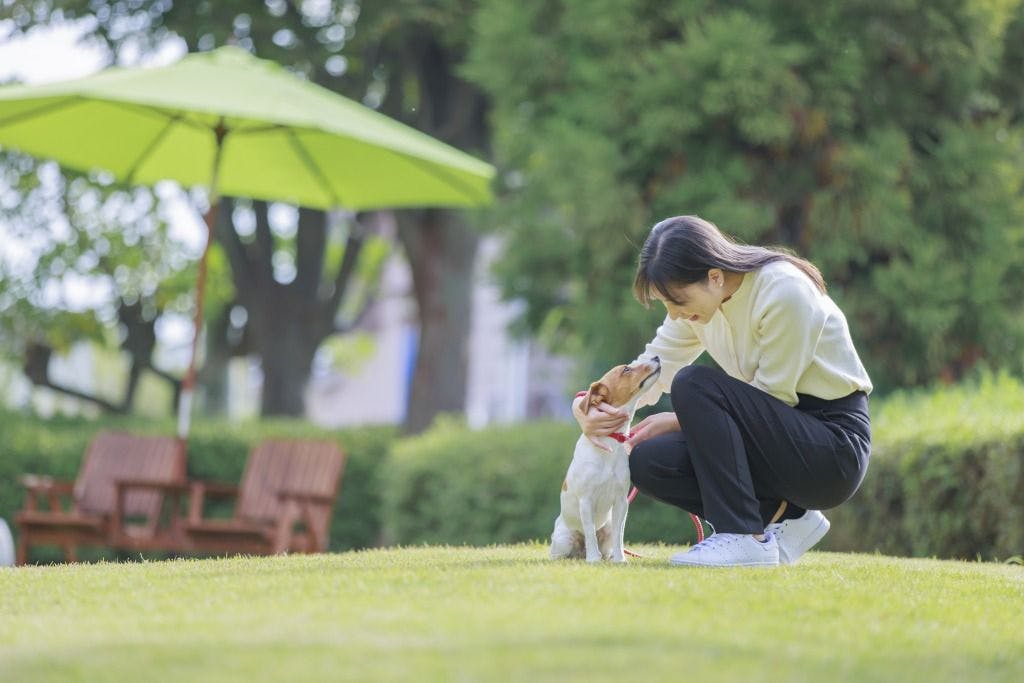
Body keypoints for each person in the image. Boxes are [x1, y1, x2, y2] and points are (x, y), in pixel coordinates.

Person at [572, 215, 872, 567]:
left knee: (692, 384)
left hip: (831, 447)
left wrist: (680, 419)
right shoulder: (697, 309)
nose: (675, 315)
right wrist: (586, 407)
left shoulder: (784, 291)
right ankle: (787, 517)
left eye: (678, 302)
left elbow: (773, 397)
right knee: (647, 461)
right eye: (667, 305)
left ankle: (743, 537)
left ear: (715, 277)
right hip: (775, 439)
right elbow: (651, 368)